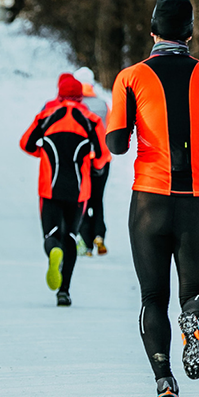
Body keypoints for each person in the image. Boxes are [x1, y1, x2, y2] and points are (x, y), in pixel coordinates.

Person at [106, 0, 199, 397]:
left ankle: (165, 381)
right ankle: (194, 321)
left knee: (153, 299)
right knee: (197, 294)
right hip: (198, 201)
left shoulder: (130, 77)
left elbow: (116, 143)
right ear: (190, 32)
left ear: (152, 31)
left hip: (149, 201)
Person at [20, 74, 109, 307]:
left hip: (49, 187)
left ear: (59, 93)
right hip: (79, 190)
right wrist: (93, 166)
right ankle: (64, 291)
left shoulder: (47, 115)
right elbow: (102, 155)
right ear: (81, 95)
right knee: (71, 236)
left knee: (51, 234)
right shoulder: (90, 119)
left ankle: (53, 250)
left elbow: (26, 143)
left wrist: (44, 153)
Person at [72, 66, 111, 257]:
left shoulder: (75, 106)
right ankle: (99, 235)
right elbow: (111, 131)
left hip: (81, 160)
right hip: (103, 159)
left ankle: (86, 242)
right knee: (98, 199)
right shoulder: (103, 105)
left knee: (82, 200)